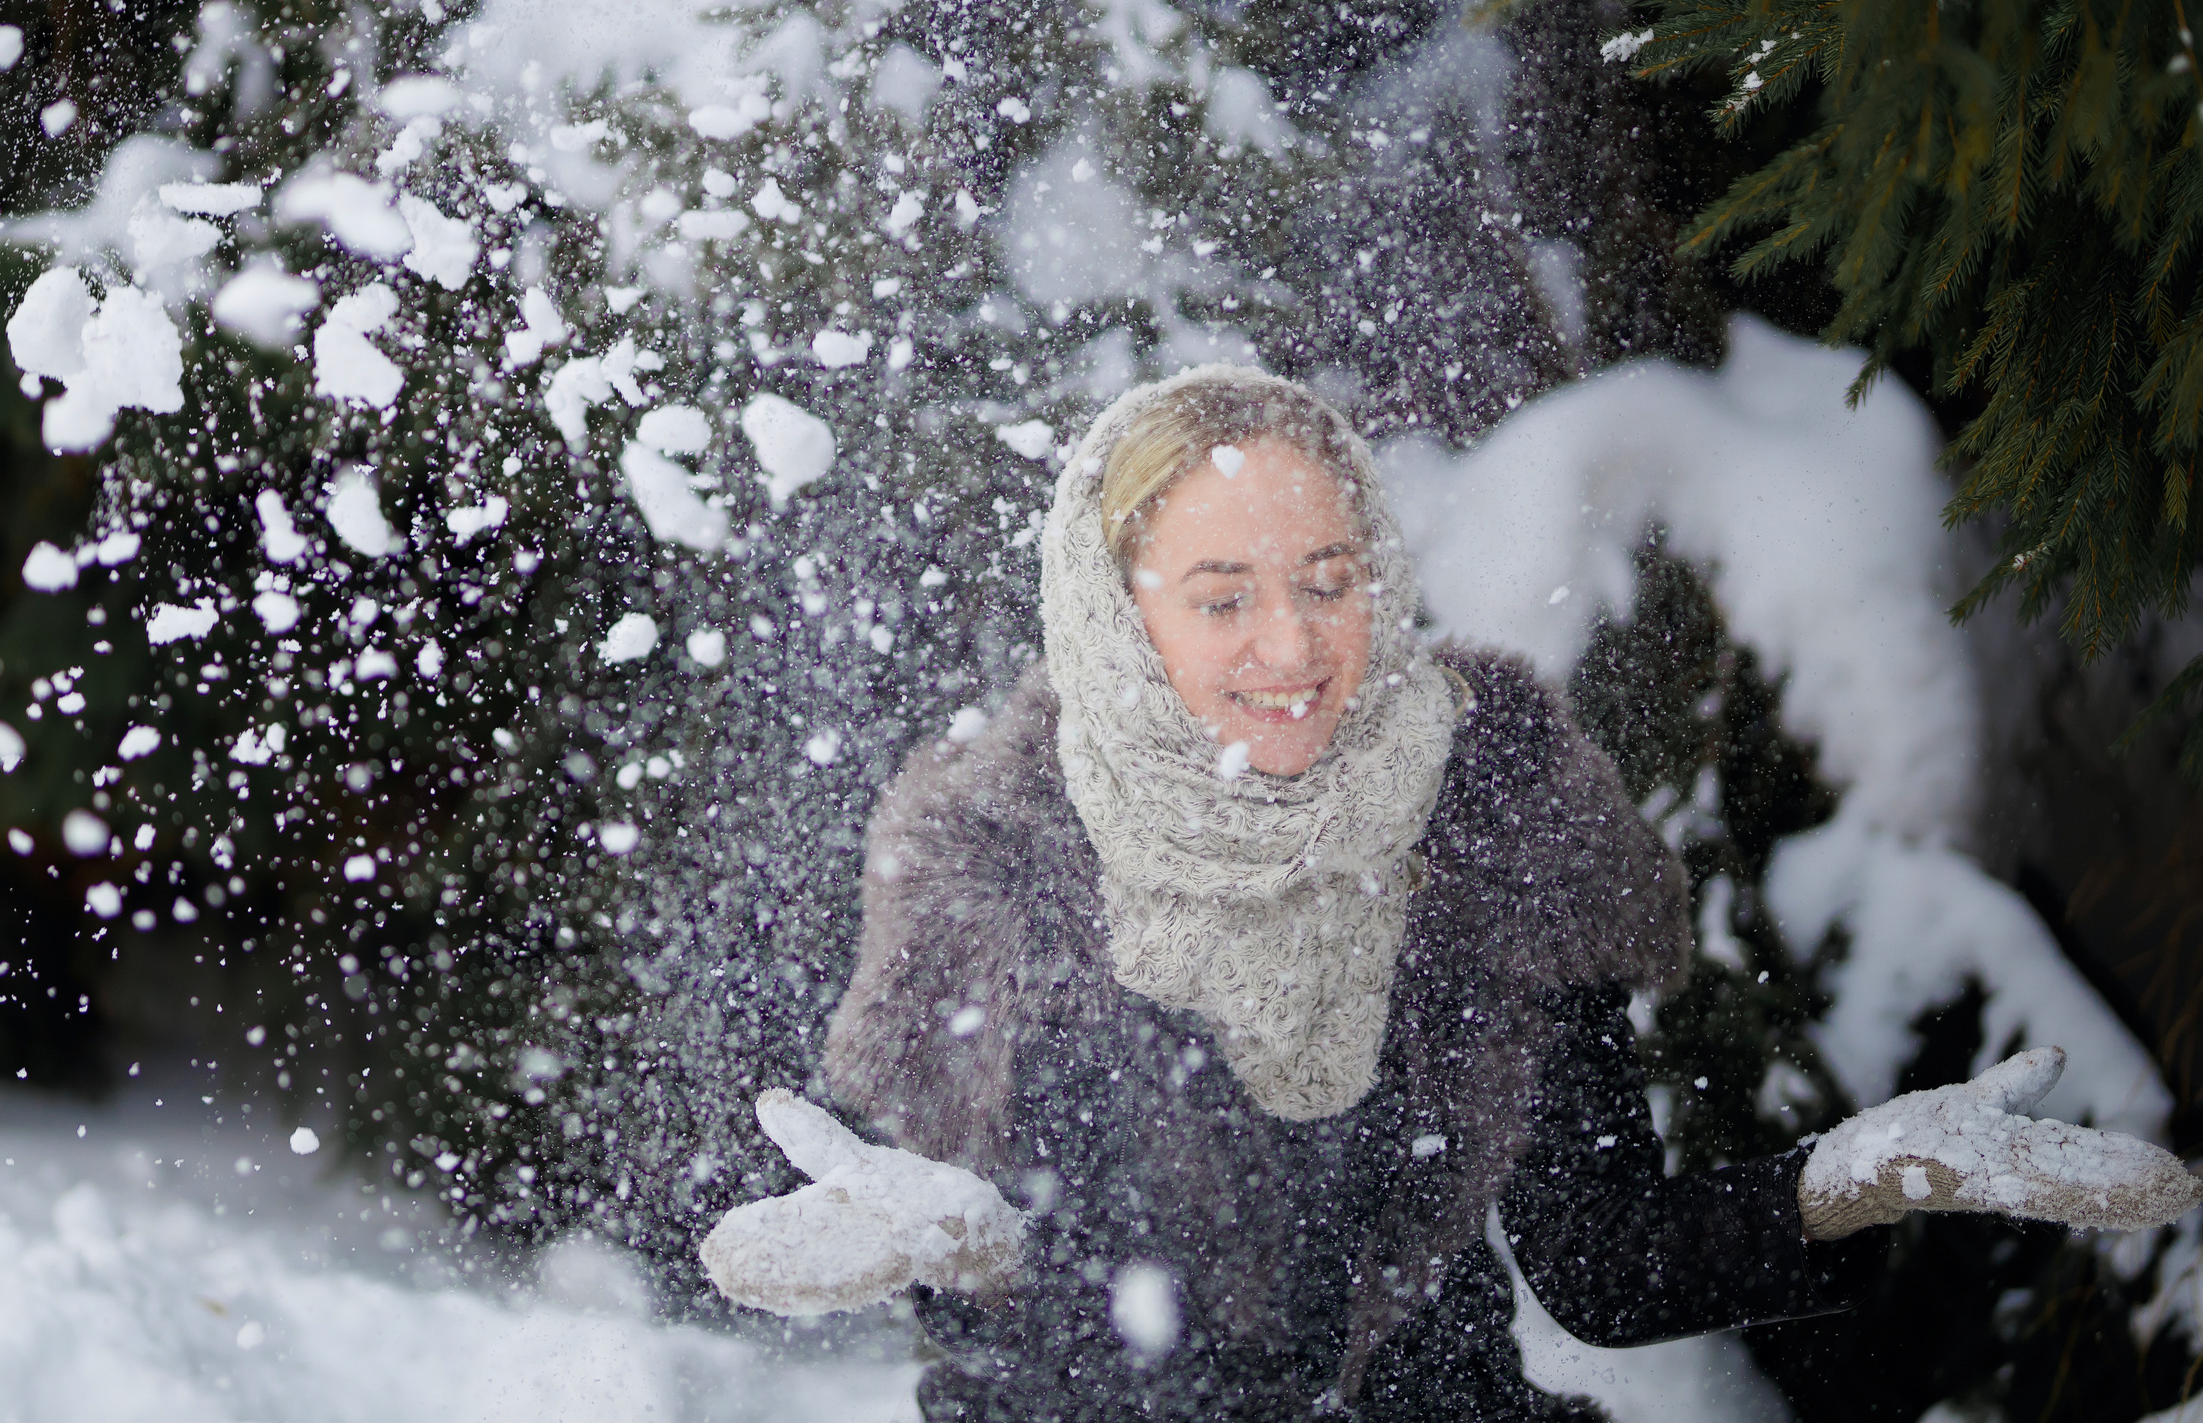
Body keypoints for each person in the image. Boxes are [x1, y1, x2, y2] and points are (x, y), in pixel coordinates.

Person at [700, 366, 2202, 1421]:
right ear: (1113, 613)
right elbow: (1043, 1369)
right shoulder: (998, 865)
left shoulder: (1487, 822)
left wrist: (1865, 1176)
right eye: (1222, 596)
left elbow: (1601, 1266)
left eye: (1329, 577)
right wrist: (960, 1247)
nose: (1291, 644)